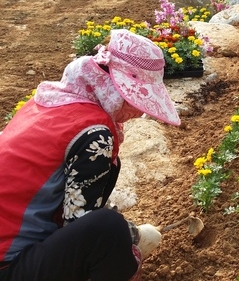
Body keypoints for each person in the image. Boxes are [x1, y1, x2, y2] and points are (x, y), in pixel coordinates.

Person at [0, 29, 181, 281]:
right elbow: (79, 222)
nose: (140, 113)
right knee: (108, 229)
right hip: (9, 266)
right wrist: (127, 243)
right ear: (113, 87)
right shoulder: (94, 133)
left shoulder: (50, 101)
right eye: (134, 100)